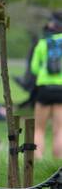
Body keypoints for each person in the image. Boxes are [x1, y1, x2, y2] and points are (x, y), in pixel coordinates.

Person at [30, 13, 62, 160]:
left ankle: (38, 160)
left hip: (44, 89)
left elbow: (34, 69)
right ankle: (57, 164)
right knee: (60, 129)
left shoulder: (43, 43)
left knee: (39, 129)